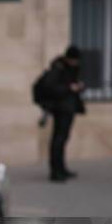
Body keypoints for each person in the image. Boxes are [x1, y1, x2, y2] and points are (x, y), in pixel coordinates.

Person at [45, 46, 86, 182]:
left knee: (63, 139)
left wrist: (78, 86)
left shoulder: (69, 68)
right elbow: (51, 88)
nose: (77, 63)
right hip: (60, 108)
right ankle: (55, 172)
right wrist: (70, 88)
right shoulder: (58, 68)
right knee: (58, 140)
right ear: (70, 58)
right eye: (75, 60)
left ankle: (62, 168)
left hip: (68, 108)